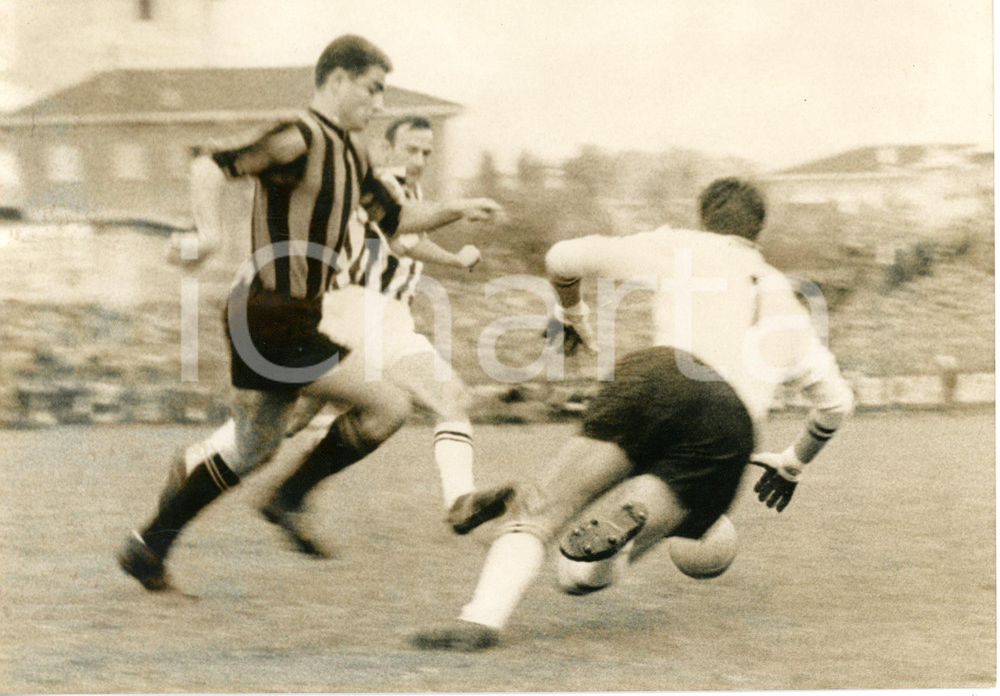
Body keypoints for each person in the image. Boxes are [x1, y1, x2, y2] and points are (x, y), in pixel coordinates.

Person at [117, 34, 503, 592]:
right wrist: (208, 233)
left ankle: (149, 546)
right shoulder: (297, 137)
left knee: (255, 448)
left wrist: (458, 208)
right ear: (338, 79)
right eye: (372, 90)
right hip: (269, 311)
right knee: (388, 405)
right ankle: (287, 499)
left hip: (290, 316)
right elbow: (209, 167)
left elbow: (396, 223)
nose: (378, 104)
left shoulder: (355, 155)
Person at [412, 177, 854, 651]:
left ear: (704, 216)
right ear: (757, 231)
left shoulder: (679, 245)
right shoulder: (786, 300)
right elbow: (837, 405)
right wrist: (791, 464)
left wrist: (573, 315)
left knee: (543, 513)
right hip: (733, 424)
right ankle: (631, 521)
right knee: (578, 578)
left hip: (661, 378)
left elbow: (562, 258)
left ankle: (482, 620)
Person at [257, 114, 500, 556]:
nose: (421, 159)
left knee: (451, 398)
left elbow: (408, 243)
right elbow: (398, 233)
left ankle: (461, 502)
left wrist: (455, 260)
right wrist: (459, 214)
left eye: (427, 151)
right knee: (281, 425)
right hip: (349, 310)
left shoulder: (410, 195)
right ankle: (251, 485)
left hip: (390, 320)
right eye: (411, 149)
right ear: (386, 151)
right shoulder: (378, 189)